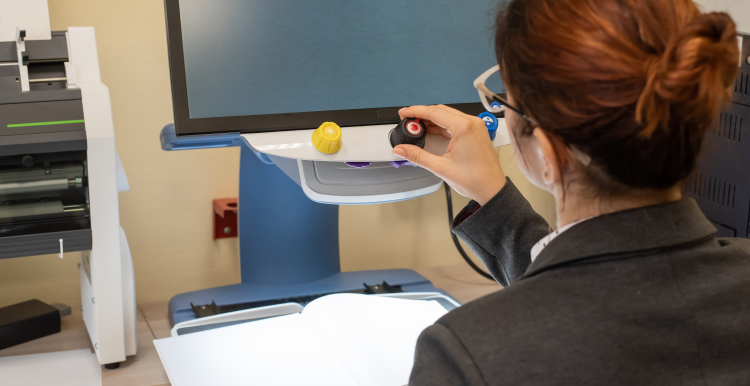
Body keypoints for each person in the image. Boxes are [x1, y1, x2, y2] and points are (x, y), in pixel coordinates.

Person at [394, 0, 749, 384]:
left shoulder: (465, 356)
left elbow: (577, 313)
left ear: (549, 152)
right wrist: (493, 199)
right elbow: (603, 295)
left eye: (504, 100)